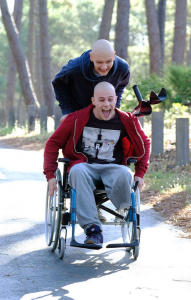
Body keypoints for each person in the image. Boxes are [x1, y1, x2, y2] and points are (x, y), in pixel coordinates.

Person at [44, 82, 150, 246]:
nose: (106, 104)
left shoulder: (127, 120)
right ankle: (93, 229)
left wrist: (139, 173)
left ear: (115, 99)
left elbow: (145, 143)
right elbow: (52, 144)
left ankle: (124, 209)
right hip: (85, 167)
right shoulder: (76, 119)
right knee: (76, 171)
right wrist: (50, 175)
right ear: (93, 100)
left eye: (110, 99)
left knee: (125, 173)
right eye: (101, 100)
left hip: (113, 168)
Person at [52, 39, 130, 123]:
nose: (104, 67)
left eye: (108, 61)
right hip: (77, 110)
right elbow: (58, 83)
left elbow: (121, 85)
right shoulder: (74, 68)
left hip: (104, 112)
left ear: (114, 55)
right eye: (99, 62)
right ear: (91, 57)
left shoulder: (122, 69)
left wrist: (115, 106)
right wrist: (67, 111)